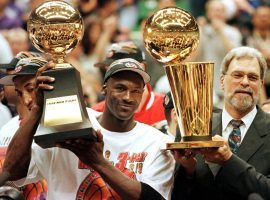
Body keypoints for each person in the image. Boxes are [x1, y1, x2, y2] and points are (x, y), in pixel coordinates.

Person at [3, 58, 175, 200]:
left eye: (136, 91)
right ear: (104, 89)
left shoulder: (157, 142)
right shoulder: (71, 122)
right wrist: (38, 109)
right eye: (120, 88)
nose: (128, 97)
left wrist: (96, 161)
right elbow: (13, 172)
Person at [172, 46, 270, 200]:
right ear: (222, 81)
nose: (245, 82)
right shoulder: (190, 126)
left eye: (252, 77)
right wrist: (189, 170)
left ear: (261, 84)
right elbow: (177, 194)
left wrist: (229, 160)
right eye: (237, 75)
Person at [0, 56, 48, 200]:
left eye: (31, 89)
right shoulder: (9, 127)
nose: (26, 100)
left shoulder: (89, 120)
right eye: (19, 93)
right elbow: (12, 173)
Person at [93, 41, 166, 125]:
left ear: (142, 67)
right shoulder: (96, 112)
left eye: (117, 68)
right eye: (107, 69)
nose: (109, 74)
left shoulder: (167, 107)